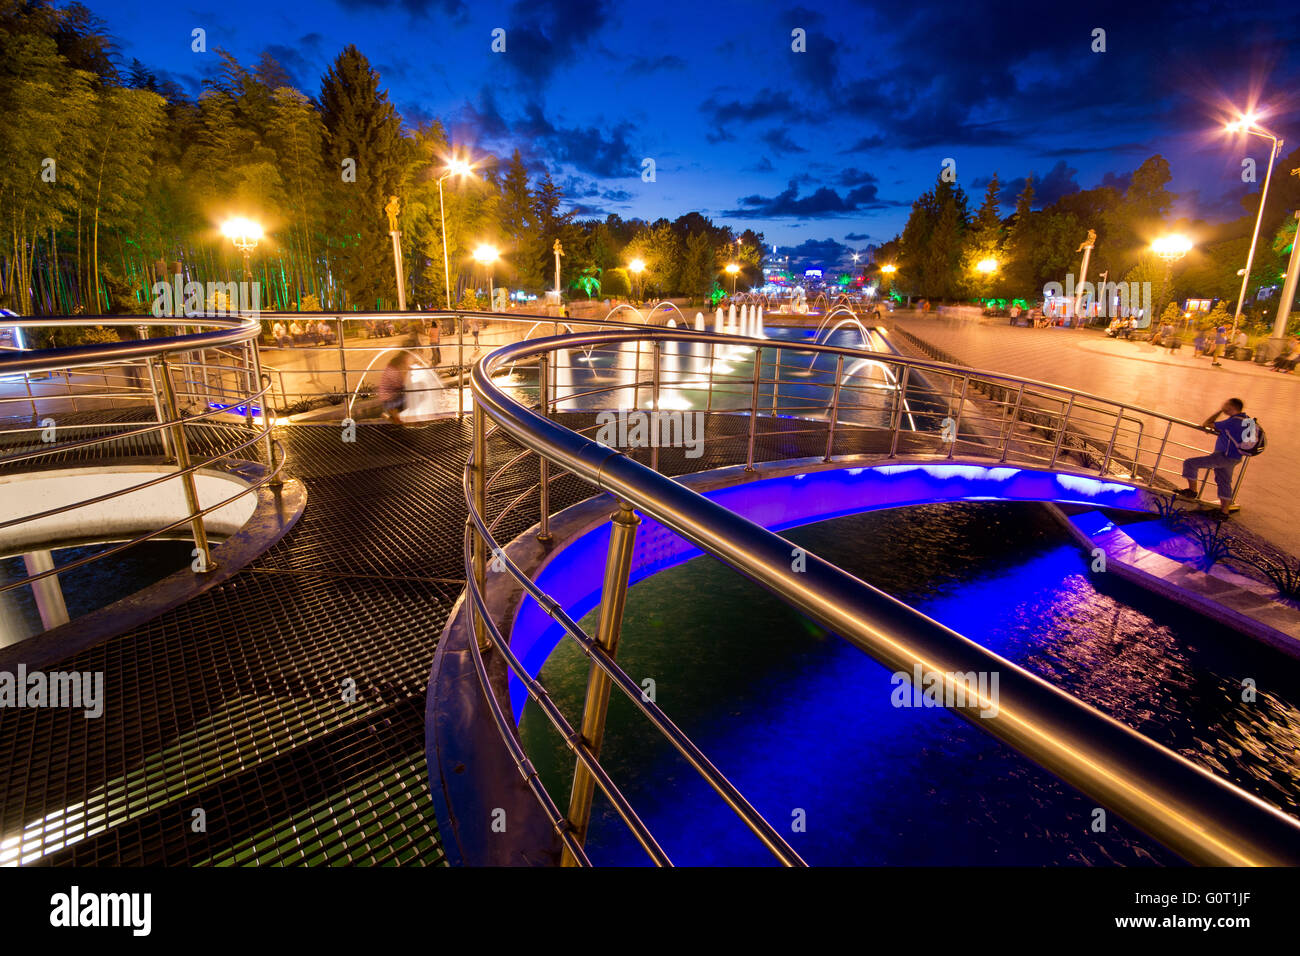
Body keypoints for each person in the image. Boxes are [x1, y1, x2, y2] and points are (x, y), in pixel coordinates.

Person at [1178, 397, 1250, 517]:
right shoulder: (1248, 421)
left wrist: (1220, 411)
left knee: (1190, 463)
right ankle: (1224, 512)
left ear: (1231, 407)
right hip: (1235, 457)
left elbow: (1207, 423)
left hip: (1223, 456)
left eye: (1226, 405)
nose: (1223, 406)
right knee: (1224, 482)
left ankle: (1192, 491)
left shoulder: (1232, 422)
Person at [377, 352, 410, 424]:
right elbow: (401, 385)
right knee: (411, 396)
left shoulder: (390, 368)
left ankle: (392, 416)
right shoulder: (393, 372)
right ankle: (394, 414)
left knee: (409, 393)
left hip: (387, 399)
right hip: (389, 401)